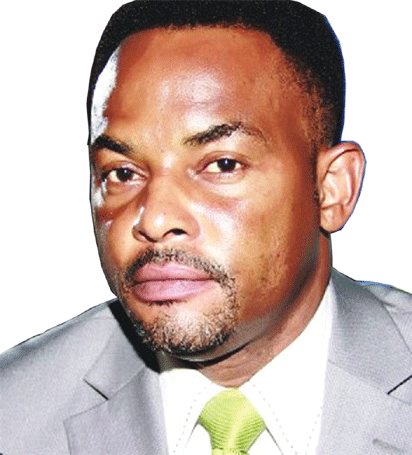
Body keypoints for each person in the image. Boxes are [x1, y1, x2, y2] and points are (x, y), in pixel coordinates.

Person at [1, 1, 411, 454]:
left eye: (222, 165)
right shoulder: (13, 414)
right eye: (122, 173)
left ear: (332, 189)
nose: (154, 219)